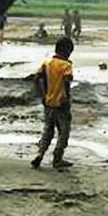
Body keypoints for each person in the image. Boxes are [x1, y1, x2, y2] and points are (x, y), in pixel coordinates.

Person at [32, 37, 75, 170]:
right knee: (64, 132)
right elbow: (66, 83)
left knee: (47, 130)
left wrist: (42, 95)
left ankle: (40, 153)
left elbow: (36, 78)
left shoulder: (48, 63)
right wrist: (66, 99)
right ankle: (57, 158)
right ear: (67, 51)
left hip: (48, 103)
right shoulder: (66, 66)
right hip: (61, 104)